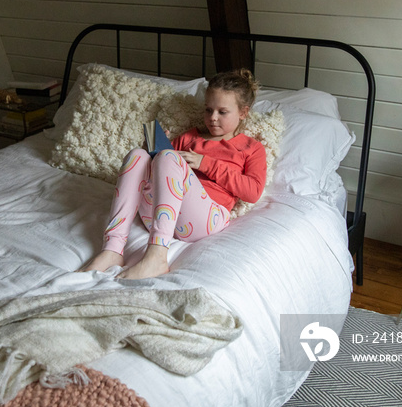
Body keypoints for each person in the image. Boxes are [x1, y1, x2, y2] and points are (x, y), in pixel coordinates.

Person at [83, 69, 267, 279]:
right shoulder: (190, 138)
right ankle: (113, 249)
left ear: (243, 112)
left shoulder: (251, 148)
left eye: (222, 112)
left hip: (207, 218)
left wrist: (205, 163)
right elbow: (164, 174)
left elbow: (252, 192)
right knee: (138, 155)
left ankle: (157, 256)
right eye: (208, 110)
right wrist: (151, 152)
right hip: (160, 216)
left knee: (169, 158)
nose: (213, 118)